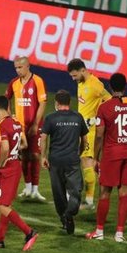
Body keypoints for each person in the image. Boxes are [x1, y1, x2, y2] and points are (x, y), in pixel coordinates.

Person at [85, 74, 127, 242]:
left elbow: (99, 135)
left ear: (110, 87)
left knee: (104, 193)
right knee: (124, 193)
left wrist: (95, 157)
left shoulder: (104, 107)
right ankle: (119, 233)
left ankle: (99, 231)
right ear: (125, 87)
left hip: (111, 155)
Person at [0, 96, 39, 251]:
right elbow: (24, 144)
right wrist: (12, 152)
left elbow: (5, 148)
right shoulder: (16, 122)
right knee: (6, 205)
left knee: (0, 206)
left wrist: (0, 162)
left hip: (7, 169)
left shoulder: (0, 125)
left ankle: (29, 232)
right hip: (16, 166)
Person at [40, 90, 88, 235]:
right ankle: (70, 213)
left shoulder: (50, 118)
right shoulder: (78, 117)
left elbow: (43, 138)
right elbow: (85, 140)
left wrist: (43, 156)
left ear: (56, 103)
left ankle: (64, 218)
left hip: (55, 161)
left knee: (58, 192)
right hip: (72, 160)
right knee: (76, 190)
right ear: (69, 102)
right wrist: (79, 153)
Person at [66, 58, 111, 210]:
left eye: (74, 75)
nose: (73, 79)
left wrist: (96, 119)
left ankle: (90, 201)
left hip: (91, 131)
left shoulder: (95, 84)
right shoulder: (81, 83)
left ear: (83, 70)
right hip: (81, 128)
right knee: (82, 160)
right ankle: (83, 196)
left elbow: (110, 101)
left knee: (87, 161)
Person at [4, 56, 48, 200]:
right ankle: (28, 187)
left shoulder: (38, 81)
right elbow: (6, 99)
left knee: (35, 155)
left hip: (35, 125)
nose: (18, 70)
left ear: (28, 66)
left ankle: (35, 189)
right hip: (20, 127)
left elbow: (42, 103)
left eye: (20, 67)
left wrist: (35, 123)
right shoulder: (14, 83)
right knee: (23, 155)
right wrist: (10, 117)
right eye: (16, 68)